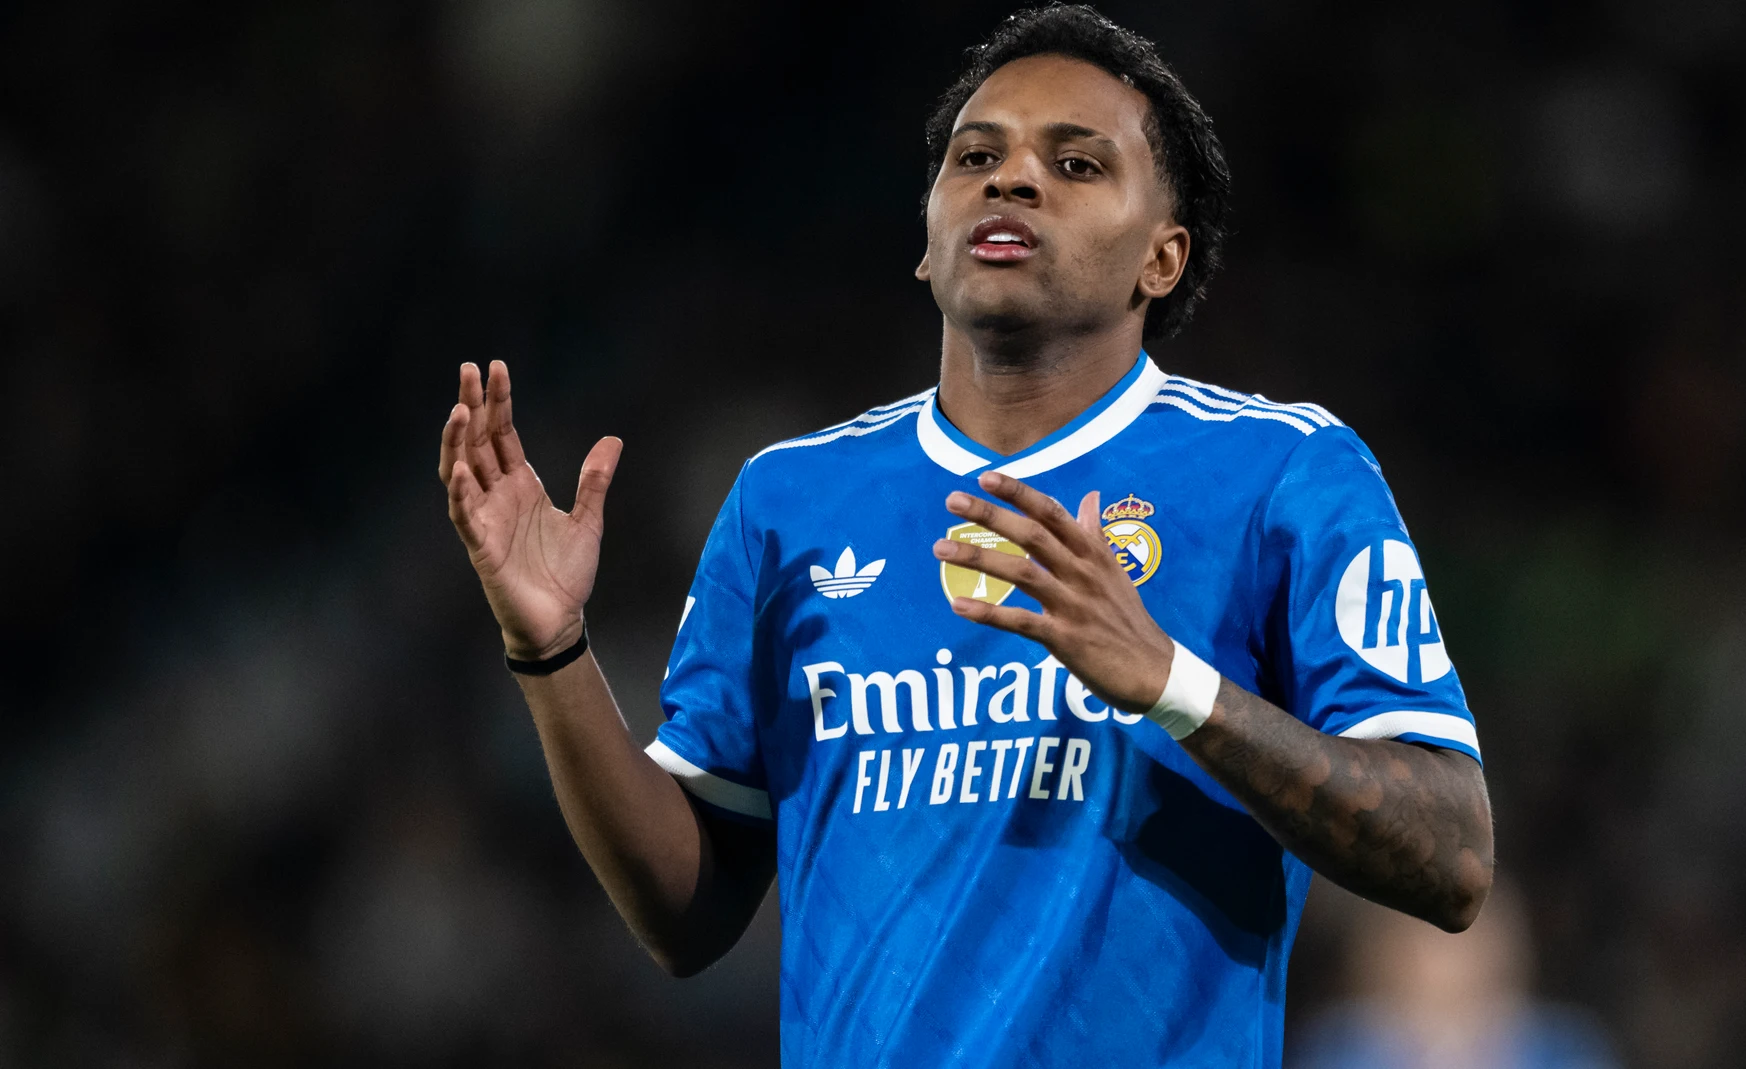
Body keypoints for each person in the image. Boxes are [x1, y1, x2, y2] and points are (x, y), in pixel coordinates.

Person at [436, 6, 1493, 1065]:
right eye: (974, 156)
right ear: (927, 240)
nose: (1011, 179)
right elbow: (686, 914)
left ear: (1162, 260)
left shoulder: (1280, 474)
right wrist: (552, 651)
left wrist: (1171, 681)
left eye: (1077, 165)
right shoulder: (790, 501)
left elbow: (1450, 854)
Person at [1291, 879, 1620, 1069]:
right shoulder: (1341, 1048)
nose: (1453, 950)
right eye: (1426, 933)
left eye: (1478, 926)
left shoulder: (1565, 1050)